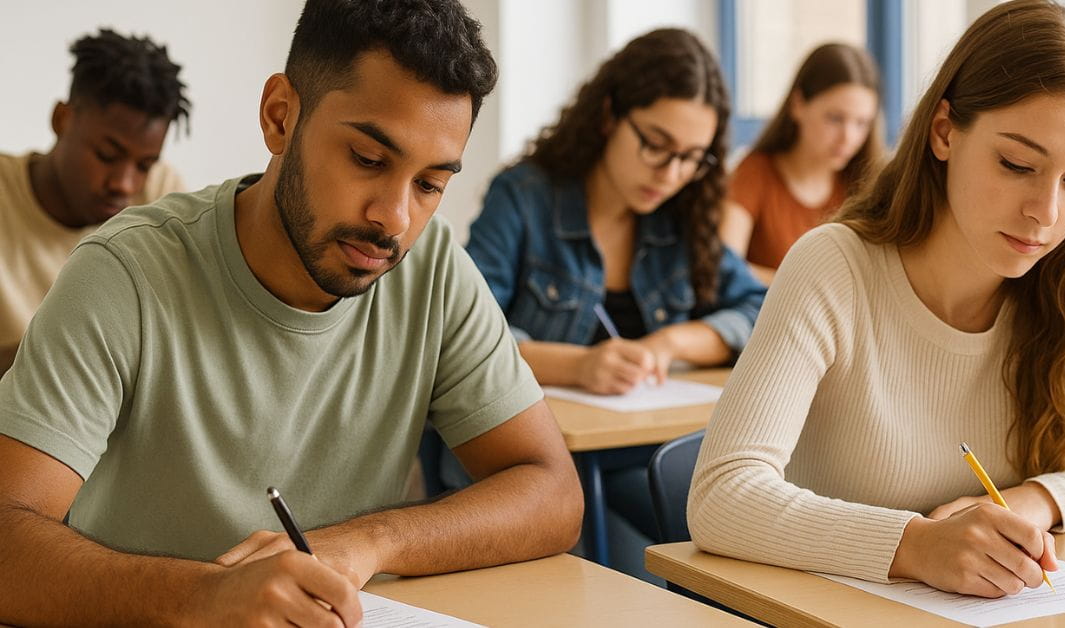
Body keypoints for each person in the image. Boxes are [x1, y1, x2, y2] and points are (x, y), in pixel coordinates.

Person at [0, 0, 582, 625]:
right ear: (280, 117)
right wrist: (207, 598)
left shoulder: (430, 266)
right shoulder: (126, 272)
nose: (396, 218)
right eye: (368, 159)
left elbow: (552, 490)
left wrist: (367, 543)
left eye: (430, 184)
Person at [688, 0, 1065, 599]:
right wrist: (916, 545)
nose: (1046, 213)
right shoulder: (834, 268)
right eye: (1017, 164)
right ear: (944, 132)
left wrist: (1036, 502)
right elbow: (722, 494)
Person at [463, 29, 765, 581]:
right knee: (680, 542)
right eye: (655, 144)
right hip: (530, 457)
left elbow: (762, 306)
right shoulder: (524, 199)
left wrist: (671, 342)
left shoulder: (682, 217)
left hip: (645, 446)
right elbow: (465, 338)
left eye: (692, 158)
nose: (671, 174)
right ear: (609, 114)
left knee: (731, 522)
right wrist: (578, 365)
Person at [0, 28, 188, 375]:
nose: (124, 184)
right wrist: (60, 348)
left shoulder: (162, 200)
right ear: (62, 119)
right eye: (106, 155)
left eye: (144, 165)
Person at [720, 42, 882, 285]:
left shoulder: (868, 186)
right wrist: (806, 285)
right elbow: (725, 266)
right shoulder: (755, 172)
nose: (848, 138)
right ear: (798, 105)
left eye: (862, 123)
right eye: (835, 118)